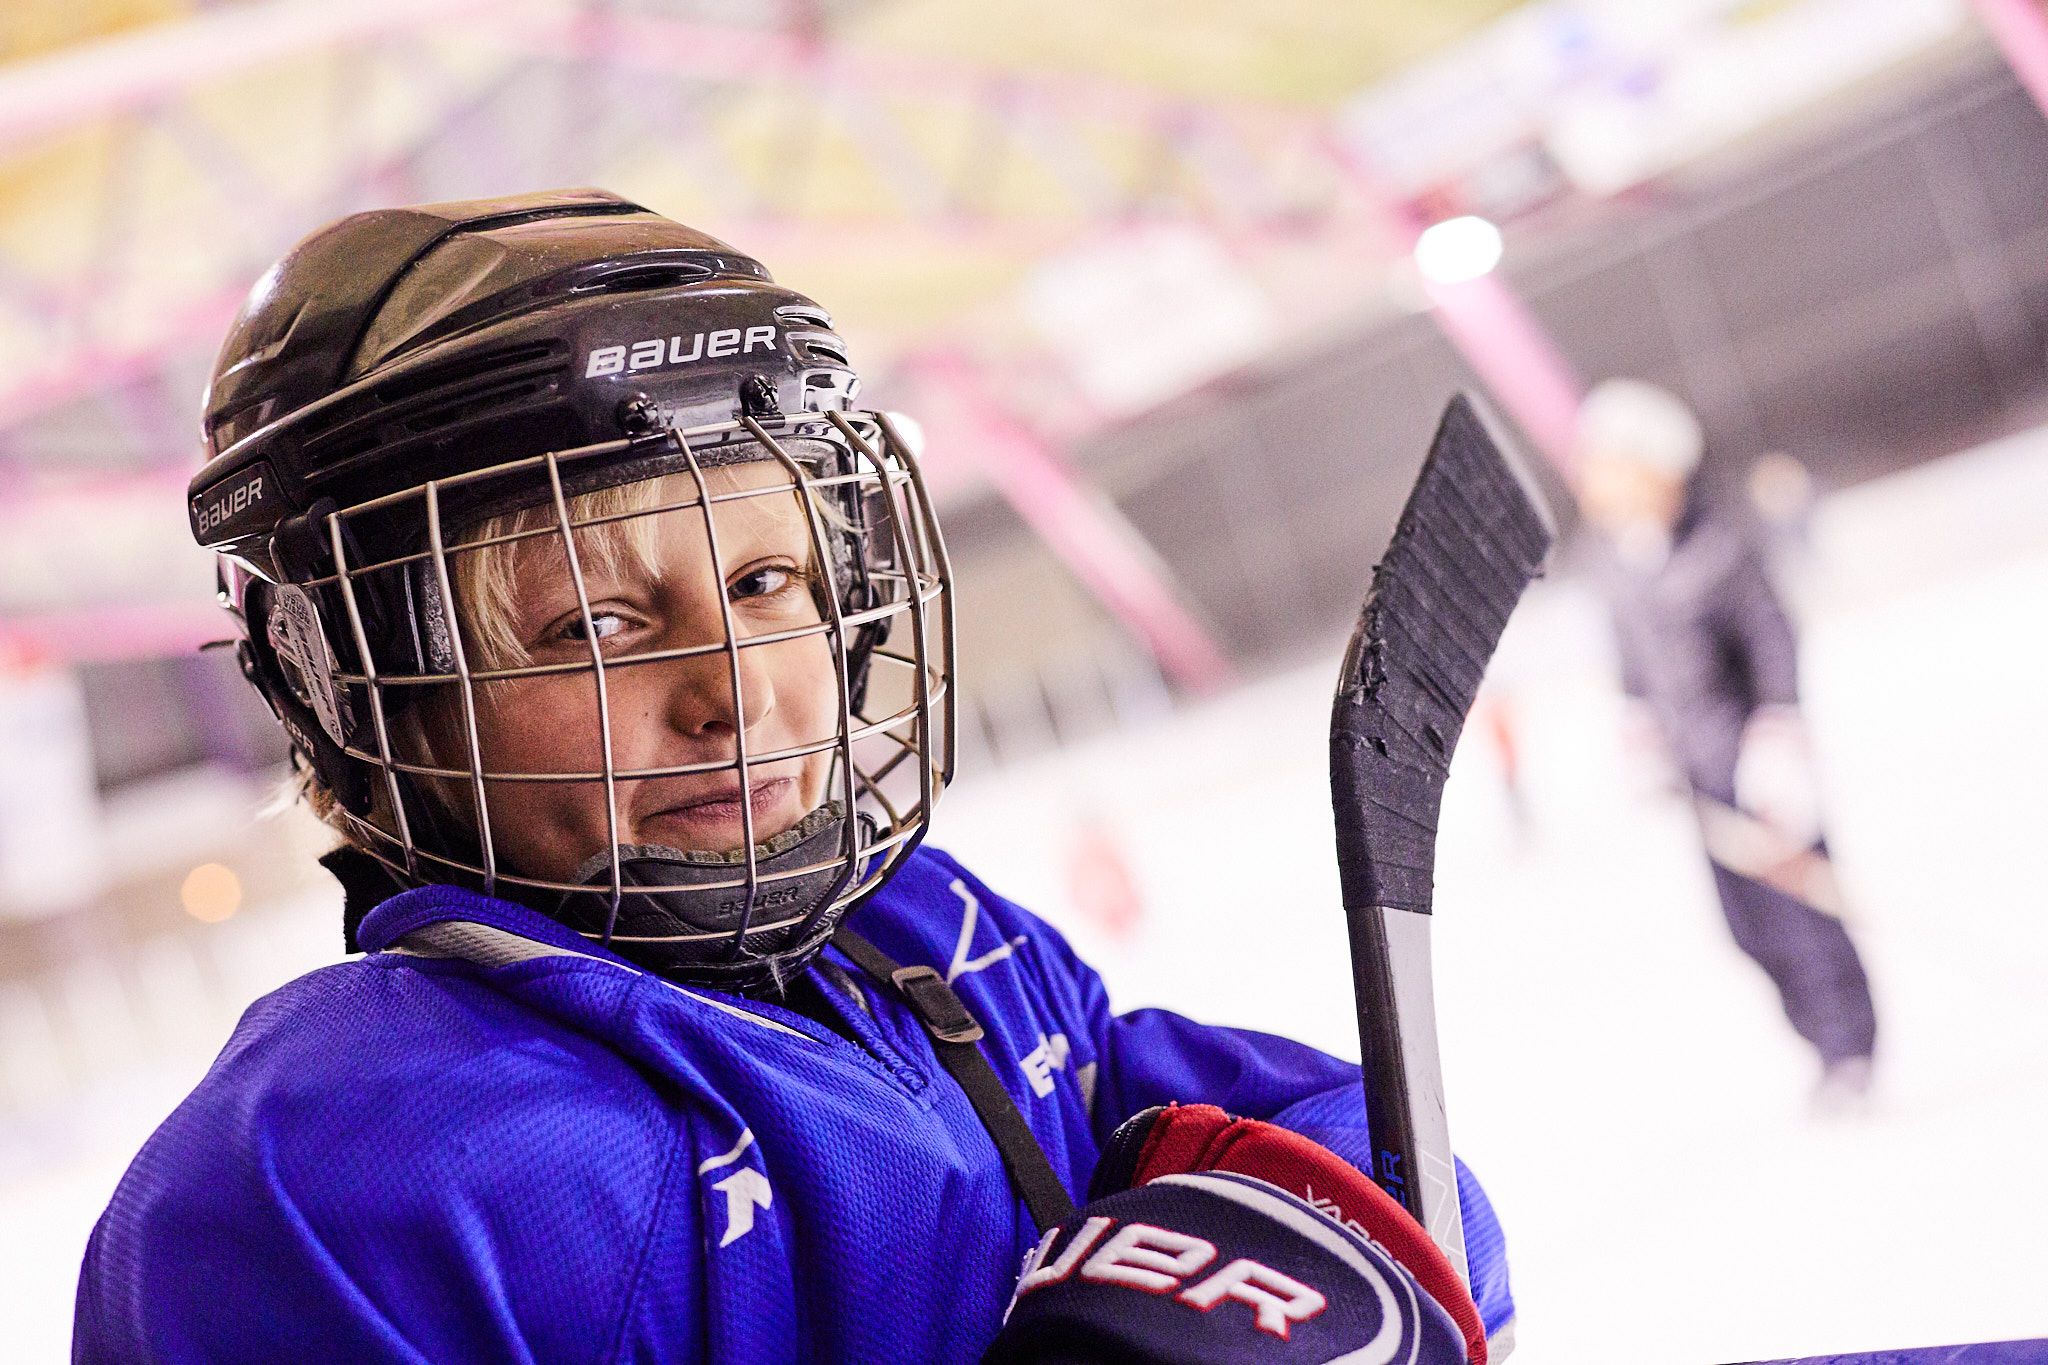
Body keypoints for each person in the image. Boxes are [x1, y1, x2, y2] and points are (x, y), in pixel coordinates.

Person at [72, 190, 1514, 1362]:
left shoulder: (928, 938)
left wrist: (1321, 1260)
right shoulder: (330, 1187)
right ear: (349, 681)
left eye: (767, 580)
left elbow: (1352, 1154)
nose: (734, 692)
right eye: (596, 624)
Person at [1575, 379, 1877, 1109]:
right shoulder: (1613, 563)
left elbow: (1773, 638)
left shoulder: (1721, 543)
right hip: (1698, 782)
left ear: (1654, 468)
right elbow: (1631, 661)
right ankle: (1819, 1041)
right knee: (1747, 929)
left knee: (1806, 916)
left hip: (1758, 772)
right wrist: (1639, 734)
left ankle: (1850, 1050)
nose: (1589, 478)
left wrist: (1777, 735)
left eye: (1606, 462)